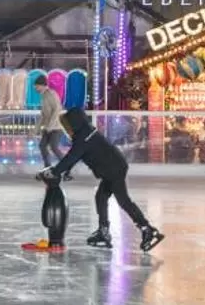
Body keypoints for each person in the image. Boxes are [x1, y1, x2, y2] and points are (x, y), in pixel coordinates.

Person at [40, 107, 162, 252]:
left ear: (74, 123)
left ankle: (147, 229)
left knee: (124, 201)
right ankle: (104, 231)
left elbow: (72, 156)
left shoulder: (83, 138)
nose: (68, 129)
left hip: (114, 170)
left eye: (69, 125)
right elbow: (76, 155)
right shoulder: (86, 132)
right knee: (101, 196)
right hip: (114, 167)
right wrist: (66, 169)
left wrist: (55, 171)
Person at [33, 72, 67, 170]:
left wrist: (51, 125)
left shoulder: (51, 94)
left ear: (42, 85)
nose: (35, 88)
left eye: (37, 86)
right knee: (42, 145)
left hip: (56, 127)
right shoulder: (43, 96)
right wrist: (35, 130)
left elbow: (57, 109)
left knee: (54, 147)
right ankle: (47, 166)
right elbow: (43, 115)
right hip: (48, 127)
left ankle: (66, 166)